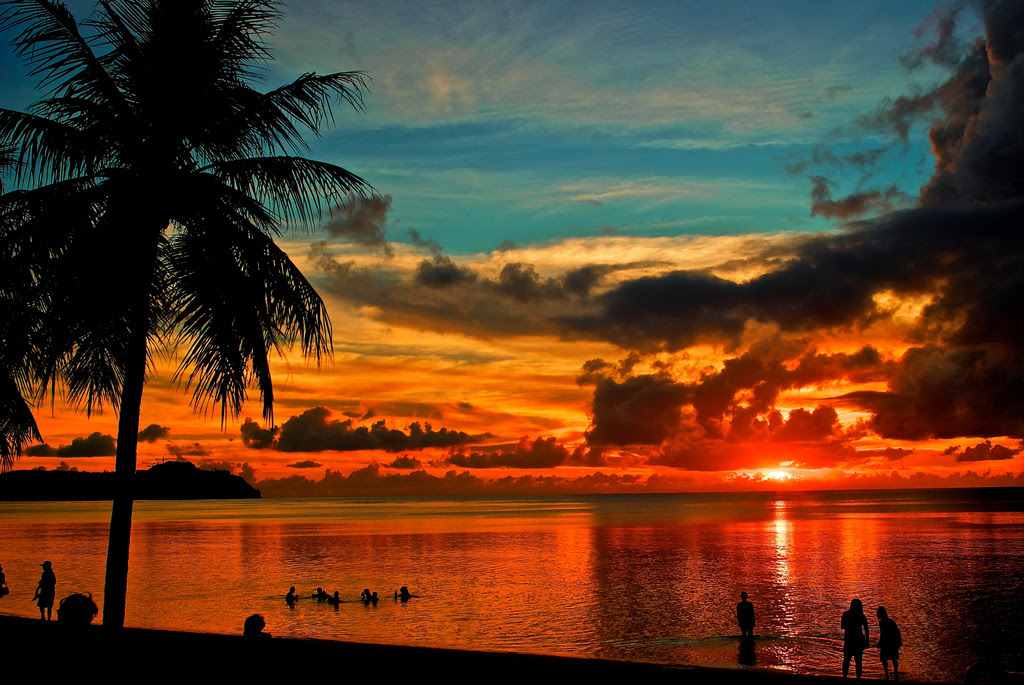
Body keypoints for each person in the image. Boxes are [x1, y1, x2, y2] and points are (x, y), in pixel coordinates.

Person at [841, 598, 870, 679]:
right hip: (859, 640)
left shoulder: (846, 614)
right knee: (858, 661)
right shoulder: (861, 616)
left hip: (849, 639)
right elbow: (866, 629)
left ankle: (845, 676)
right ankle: (858, 677)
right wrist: (867, 640)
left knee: (847, 660)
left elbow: (842, 626)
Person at [876, 606, 902, 680]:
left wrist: (881, 642)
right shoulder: (888, 622)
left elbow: (884, 633)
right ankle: (893, 673)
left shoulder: (885, 622)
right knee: (891, 658)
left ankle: (889, 673)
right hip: (890, 642)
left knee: (888, 658)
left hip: (889, 642)